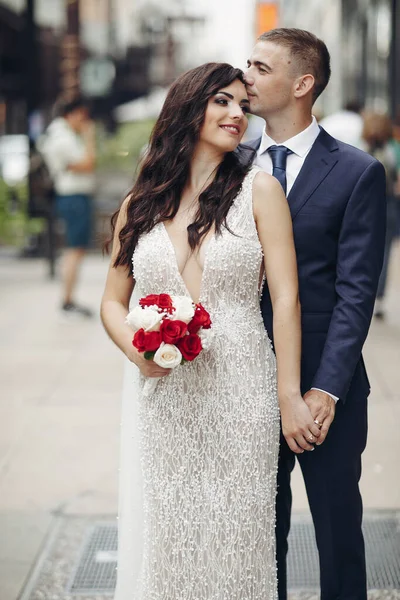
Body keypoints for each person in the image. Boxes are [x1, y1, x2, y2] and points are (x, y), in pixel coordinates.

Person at [101, 62, 312, 599]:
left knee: (240, 536)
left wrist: (289, 395)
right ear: (188, 106)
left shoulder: (261, 191)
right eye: (222, 101)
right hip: (166, 394)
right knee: (171, 535)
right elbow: (111, 302)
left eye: (242, 104)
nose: (236, 113)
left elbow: (286, 298)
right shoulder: (140, 204)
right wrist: (137, 351)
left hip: (243, 387)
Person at [245, 28, 386, 600]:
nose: (245, 76)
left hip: (325, 391)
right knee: (256, 536)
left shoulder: (357, 172)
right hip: (244, 382)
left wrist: (324, 392)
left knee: (337, 535)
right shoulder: (226, 166)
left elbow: (357, 293)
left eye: (260, 67)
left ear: (302, 84)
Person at [40, 96, 96, 317]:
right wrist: (89, 136)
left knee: (75, 249)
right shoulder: (63, 138)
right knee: (74, 249)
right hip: (73, 197)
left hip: (72, 197)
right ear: (71, 114)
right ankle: (67, 300)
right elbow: (88, 162)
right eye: (82, 116)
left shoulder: (60, 134)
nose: (84, 121)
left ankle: (68, 299)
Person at [362, 111, 400, 319]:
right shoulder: (394, 149)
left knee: (362, 250)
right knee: (384, 254)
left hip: (366, 206)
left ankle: (366, 293)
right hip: (388, 205)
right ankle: (380, 299)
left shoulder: (360, 149)